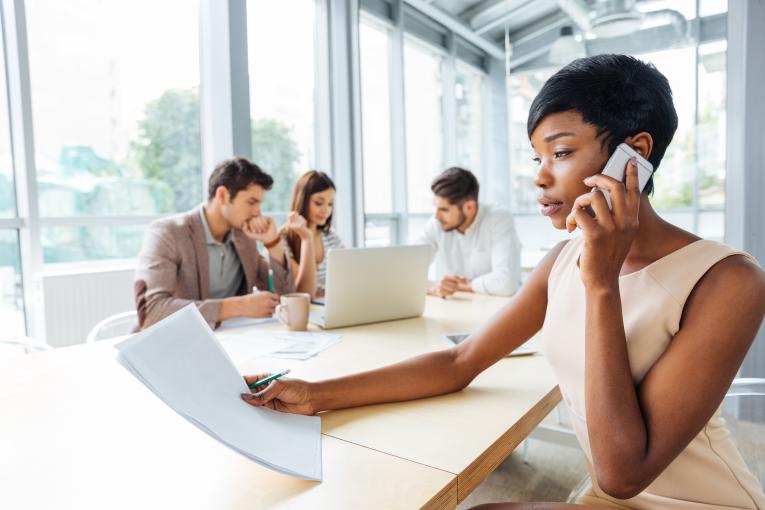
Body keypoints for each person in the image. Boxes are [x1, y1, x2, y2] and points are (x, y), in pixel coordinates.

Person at [240, 55, 765, 509]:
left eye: (559, 153)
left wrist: (601, 283)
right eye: (536, 157)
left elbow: (623, 473)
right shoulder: (561, 260)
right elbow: (458, 361)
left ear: (636, 154)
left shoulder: (729, 281)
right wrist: (315, 393)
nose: (539, 176)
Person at [134, 157, 308, 330]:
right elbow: (151, 312)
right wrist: (236, 306)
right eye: (251, 202)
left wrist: (273, 242)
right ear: (223, 195)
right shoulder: (168, 233)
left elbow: (286, 299)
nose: (257, 212)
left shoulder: (244, 237)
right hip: (174, 343)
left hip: (232, 341)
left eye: (259, 203)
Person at [417, 167, 521, 298]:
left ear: (469, 207)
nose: (436, 216)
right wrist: (434, 286)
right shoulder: (436, 224)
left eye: (444, 209)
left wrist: (463, 285)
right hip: (460, 306)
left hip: (498, 307)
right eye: (436, 208)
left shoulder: (498, 219)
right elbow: (408, 270)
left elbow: (507, 283)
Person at [280, 170, 344, 298]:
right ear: (302, 201)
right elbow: (304, 292)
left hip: (329, 303)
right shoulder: (283, 239)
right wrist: (306, 237)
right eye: (318, 203)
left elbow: (347, 278)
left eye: (330, 204)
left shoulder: (331, 238)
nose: (326, 210)